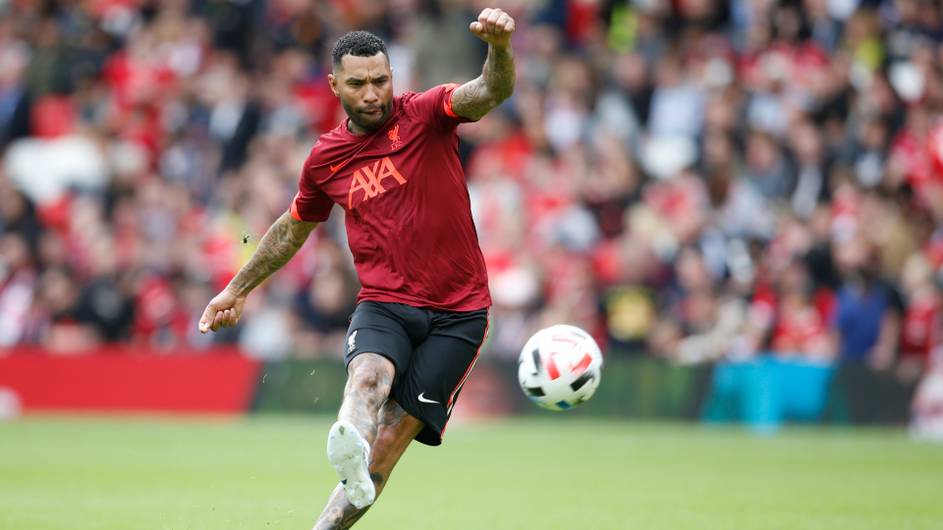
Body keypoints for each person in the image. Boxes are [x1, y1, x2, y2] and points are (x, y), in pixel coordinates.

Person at [198, 7, 515, 529]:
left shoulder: (426, 113)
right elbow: (292, 228)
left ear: (392, 76)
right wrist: (238, 288)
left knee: (386, 448)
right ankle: (350, 442)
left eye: (380, 81)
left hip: (458, 316)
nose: (372, 94)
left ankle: (347, 480)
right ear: (334, 86)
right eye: (358, 84)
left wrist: (499, 49)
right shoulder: (326, 159)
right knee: (367, 377)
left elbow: (489, 91)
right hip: (385, 304)